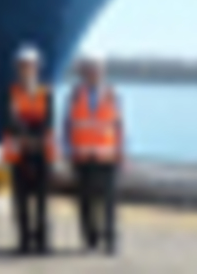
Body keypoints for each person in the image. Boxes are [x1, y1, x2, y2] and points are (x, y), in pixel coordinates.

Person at [64, 52, 125, 255]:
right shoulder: (74, 94)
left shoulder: (112, 94)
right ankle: (90, 237)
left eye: (97, 69)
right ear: (83, 72)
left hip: (106, 156)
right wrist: (68, 150)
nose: (93, 73)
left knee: (109, 200)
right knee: (85, 200)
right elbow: (68, 124)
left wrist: (121, 151)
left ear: (103, 71)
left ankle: (111, 239)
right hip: (82, 156)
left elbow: (118, 125)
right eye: (89, 69)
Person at [2, 44, 56, 254]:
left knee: (42, 198)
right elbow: (10, 119)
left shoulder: (46, 92)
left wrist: (36, 137)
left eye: (31, 65)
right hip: (19, 151)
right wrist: (25, 136)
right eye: (23, 66)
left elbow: (49, 119)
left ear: (37, 68)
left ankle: (42, 240)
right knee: (21, 198)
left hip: (42, 151)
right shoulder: (12, 93)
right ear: (18, 68)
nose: (27, 69)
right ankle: (24, 240)